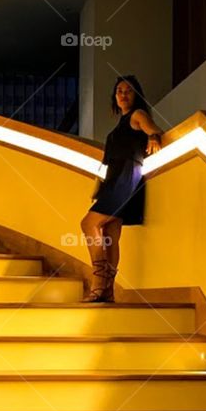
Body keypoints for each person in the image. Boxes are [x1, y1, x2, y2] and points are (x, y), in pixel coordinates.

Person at [80, 74, 163, 303]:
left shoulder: (137, 115)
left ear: (136, 95)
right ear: (114, 97)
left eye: (128, 91)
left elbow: (154, 130)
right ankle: (108, 291)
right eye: (119, 91)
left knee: (88, 224)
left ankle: (99, 282)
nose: (123, 95)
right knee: (109, 234)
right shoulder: (122, 121)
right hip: (115, 179)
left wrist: (154, 136)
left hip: (126, 177)